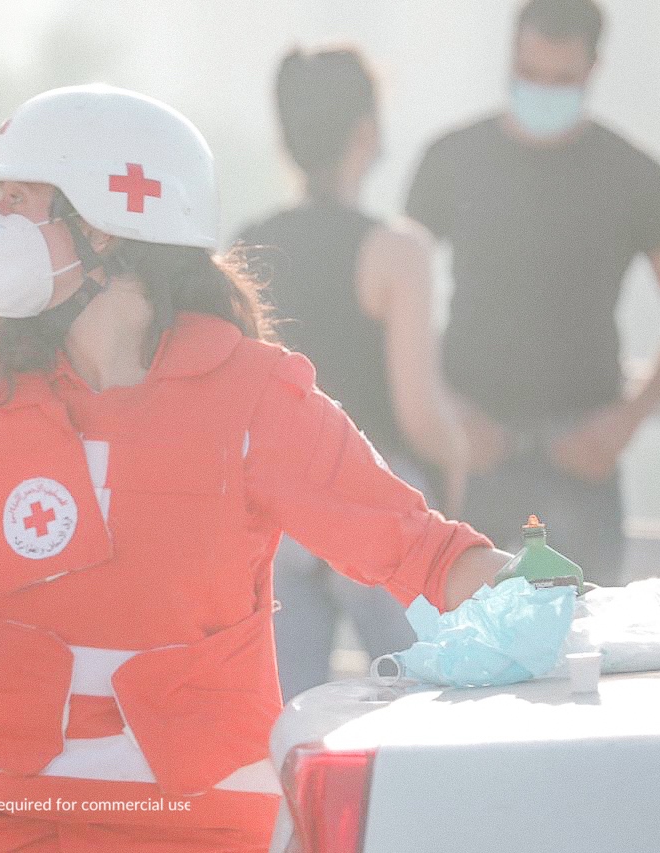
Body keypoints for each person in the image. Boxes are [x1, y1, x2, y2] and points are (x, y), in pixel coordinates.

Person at [0, 84, 511, 853]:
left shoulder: (254, 397)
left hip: (199, 821)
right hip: (3, 815)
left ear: (103, 224)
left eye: (19, 199)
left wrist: (551, 599)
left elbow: (421, 551)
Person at [406, 0, 660, 585]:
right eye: (530, 73)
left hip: (583, 458)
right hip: (471, 454)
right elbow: (398, 303)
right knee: (459, 633)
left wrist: (623, 423)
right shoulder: (450, 160)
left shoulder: (634, 174)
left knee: (589, 634)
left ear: (593, 68)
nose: (543, 89)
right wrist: (446, 411)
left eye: (561, 78)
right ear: (509, 58)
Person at [238, 46, 469, 700]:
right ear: (366, 132)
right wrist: (458, 462)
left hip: (281, 512)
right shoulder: (399, 250)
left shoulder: (247, 248)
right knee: (423, 709)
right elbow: (420, 415)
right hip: (375, 506)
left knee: (288, 722)